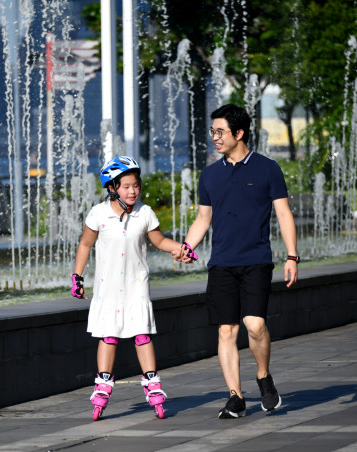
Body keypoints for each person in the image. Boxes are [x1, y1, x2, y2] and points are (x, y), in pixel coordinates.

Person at [173, 104, 298, 419]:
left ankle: (263, 375)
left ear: (239, 133)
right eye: (212, 132)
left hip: (256, 260)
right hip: (222, 264)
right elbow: (204, 218)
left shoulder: (268, 168)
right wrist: (188, 246)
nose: (214, 138)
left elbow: (283, 213)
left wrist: (292, 255)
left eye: (220, 132)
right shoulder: (211, 174)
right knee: (226, 331)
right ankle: (236, 397)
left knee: (255, 325)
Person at [71, 156, 193, 421]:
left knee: (142, 335)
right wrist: (77, 277)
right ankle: (103, 384)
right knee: (109, 336)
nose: (133, 191)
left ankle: (152, 382)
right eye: (126, 186)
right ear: (112, 187)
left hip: (136, 286)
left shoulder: (144, 212)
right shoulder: (98, 214)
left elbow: (159, 241)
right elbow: (85, 245)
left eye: (136, 185)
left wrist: (181, 249)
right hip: (108, 288)